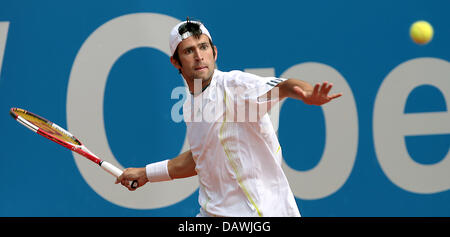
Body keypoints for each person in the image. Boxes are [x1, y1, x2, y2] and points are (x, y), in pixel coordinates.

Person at [116, 18, 342, 217]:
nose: (198, 56)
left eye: (203, 47)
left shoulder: (235, 86)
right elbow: (201, 157)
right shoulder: (191, 104)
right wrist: (147, 173)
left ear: (214, 52)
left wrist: (308, 94)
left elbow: (285, 85)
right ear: (176, 62)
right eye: (189, 51)